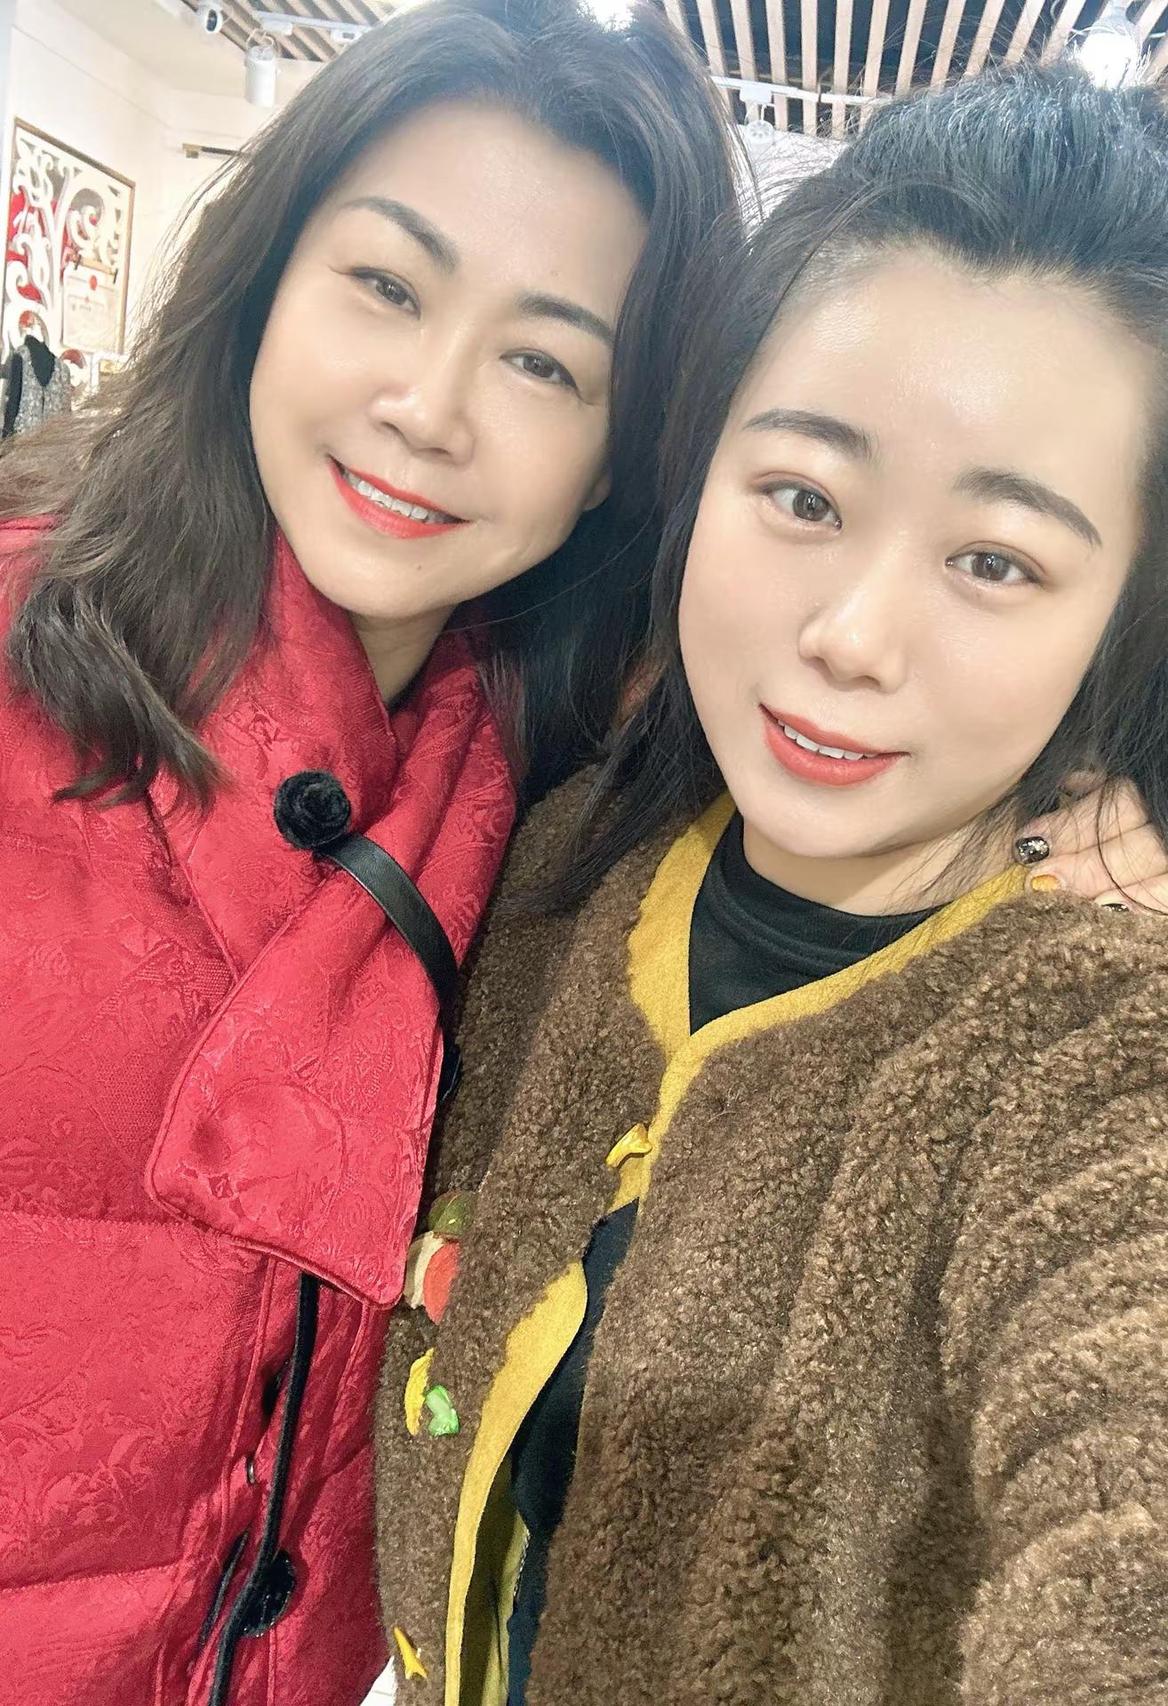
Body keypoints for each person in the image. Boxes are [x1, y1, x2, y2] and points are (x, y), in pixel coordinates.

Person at [375, 65, 1168, 1706]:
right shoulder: (566, 854)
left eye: (995, 560)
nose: (851, 634)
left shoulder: (1138, 1045)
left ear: (1140, 611)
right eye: (801, 495)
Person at [0, 5, 742, 1704]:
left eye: (545, 363)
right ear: (269, 280)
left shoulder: (565, 798)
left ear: (621, 453)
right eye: (387, 286)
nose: (428, 407)